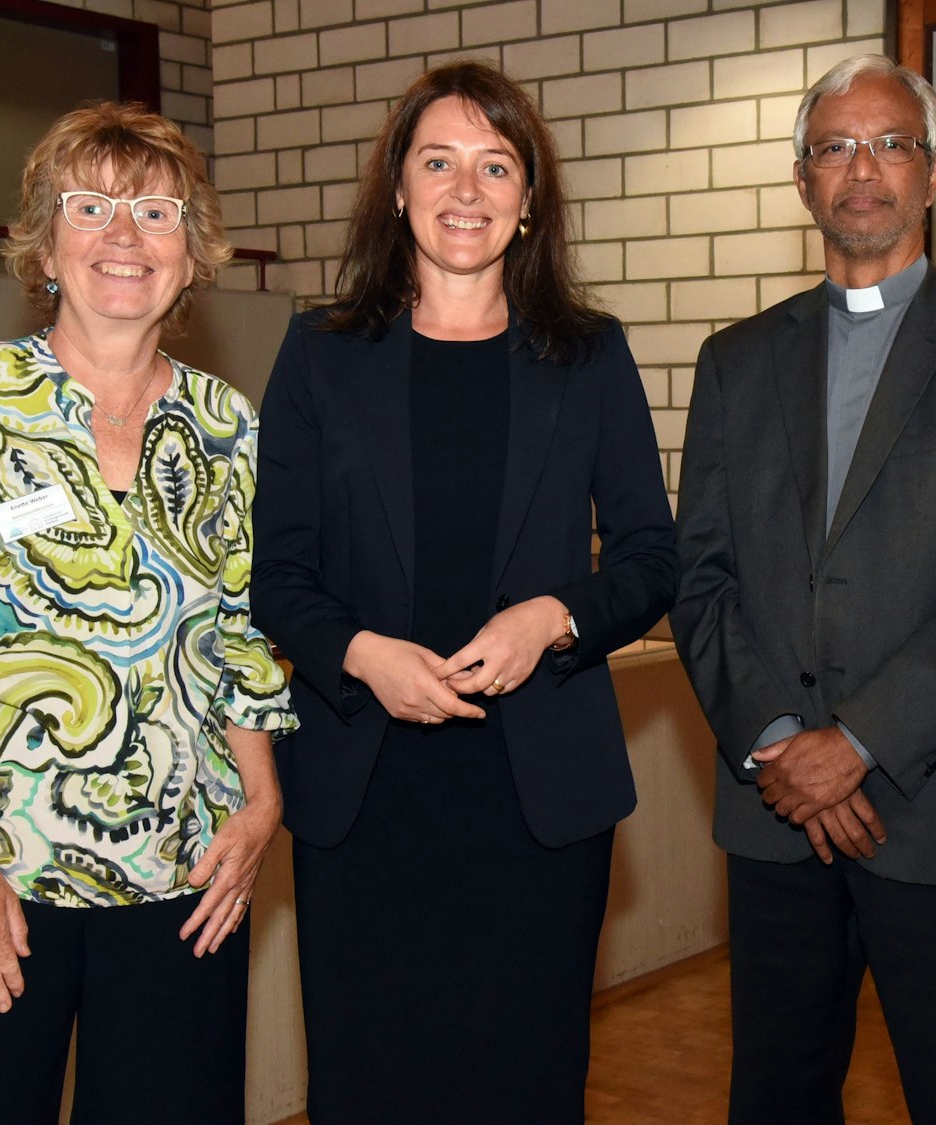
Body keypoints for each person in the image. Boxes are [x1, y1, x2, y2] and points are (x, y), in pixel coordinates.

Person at [0, 102, 295, 1124]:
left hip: (188, 879)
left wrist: (261, 800)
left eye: (154, 211)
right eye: (89, 208)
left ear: (193, 254)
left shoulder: (227, 424)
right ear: (45, 245)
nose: (123, 237)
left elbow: (241, 637)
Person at [250, 61, 676, 1124]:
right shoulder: (319, 353)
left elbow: (649, 558)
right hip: (367, 789)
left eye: (495, 165)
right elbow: (276, 574)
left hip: (535, 801)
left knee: (525, 1089)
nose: (465, 189)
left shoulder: (587, 355)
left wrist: (554, 618)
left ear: (529, 201)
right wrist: (358, 653)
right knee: (366, 1088)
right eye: (437, 160)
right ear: (396, 186)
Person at [673, 54, 936, 1125]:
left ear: (933, 172)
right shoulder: (734, 361)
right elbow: (699, 576)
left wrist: (852, 743)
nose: (863, 169)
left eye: (889, 143)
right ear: (801, 180)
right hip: (773, 820)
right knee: (775, 1098)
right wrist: (775, 741)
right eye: (834, 148)